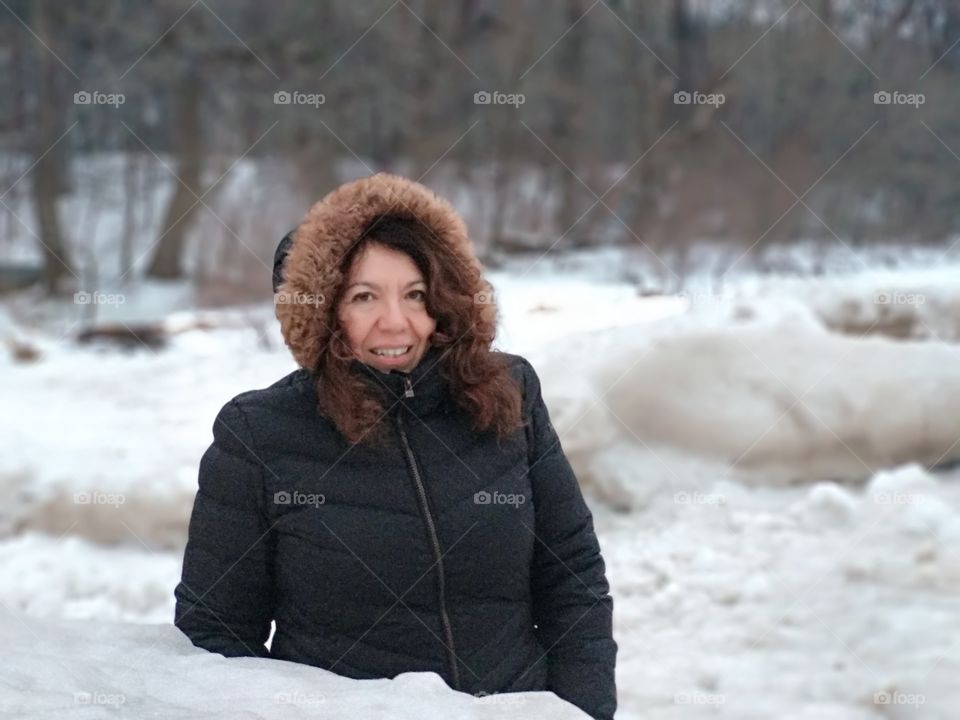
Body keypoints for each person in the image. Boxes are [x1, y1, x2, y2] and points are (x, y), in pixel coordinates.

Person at [173, 173, 618, 719]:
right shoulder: (260, 433)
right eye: (364, 297)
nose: (395, 322)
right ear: (324, 311)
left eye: (415, 295)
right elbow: (216, 637)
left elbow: (572, 578)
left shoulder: (509, 395)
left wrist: (581, 711)